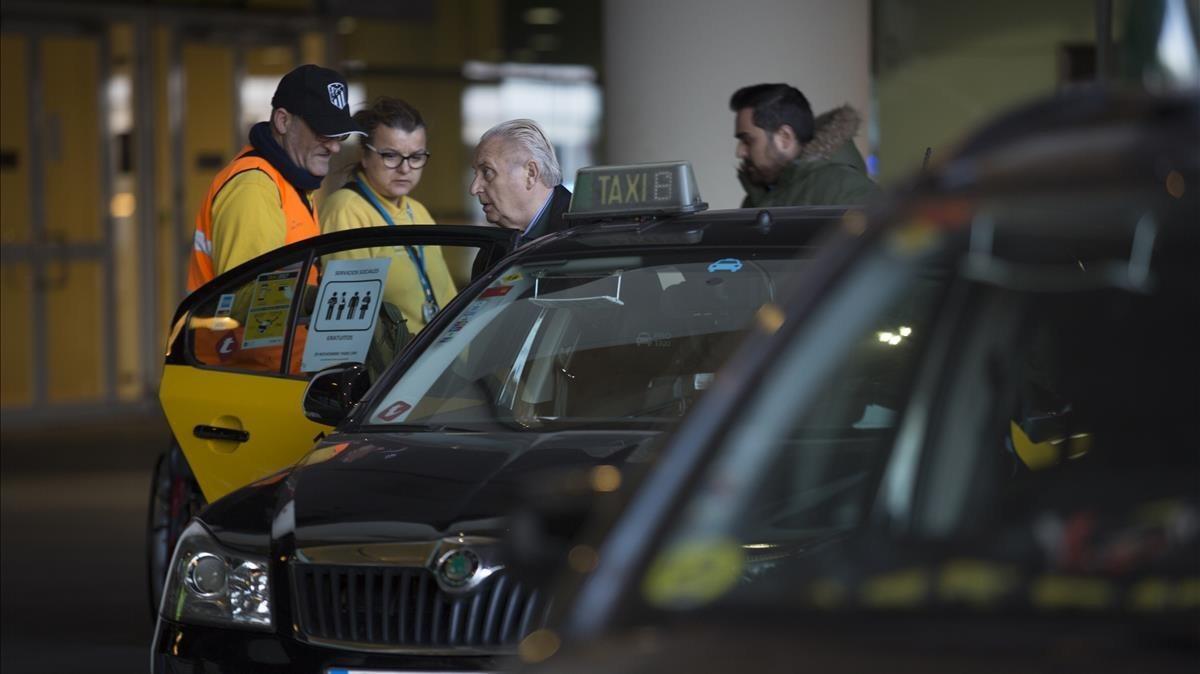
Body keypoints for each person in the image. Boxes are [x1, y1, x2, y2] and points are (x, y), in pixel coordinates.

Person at [187, 63, 364, 291]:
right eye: (322, 132)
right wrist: (321, 304)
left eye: (340, 135)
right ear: (283, 121)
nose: (335, 147)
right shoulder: (255, 187)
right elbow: (247, 299)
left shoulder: (292, 183)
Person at [320, 97, 457, 333]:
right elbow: (346, 322)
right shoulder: (346, 210)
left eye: (415, 157)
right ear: (364, 154)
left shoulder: (418, 210)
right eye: (391, 155)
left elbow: (447, 297)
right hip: (391, 367)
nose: (405, 169)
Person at [731, 83, 880, 208]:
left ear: (784, 138)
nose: (739, 152)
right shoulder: (755, 199)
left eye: (748, 141)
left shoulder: (846, 190)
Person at [469, 118, 572, 244]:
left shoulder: (584, 233)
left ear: (531, 174)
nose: (474, 188)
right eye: (476, 174)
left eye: (487, 172)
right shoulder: (498, 243)